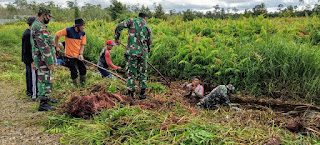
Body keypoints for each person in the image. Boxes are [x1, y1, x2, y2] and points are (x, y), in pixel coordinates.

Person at [114, 11, 152, 100]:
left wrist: (117, 38)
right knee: (142, 73)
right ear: (145, 18)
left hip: (132, 53)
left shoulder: (131, 21)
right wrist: (147, 51)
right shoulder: (147, 27)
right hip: (143, 54)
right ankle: (142, 94)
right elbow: (149, 43)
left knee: (131, 72)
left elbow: (119, 26)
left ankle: (131, 94)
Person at [30, 7, 56, 111]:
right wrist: (49, 61)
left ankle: (46, 98)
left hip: (42, 58)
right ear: (43, 15)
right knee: (44, 79)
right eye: (48, 16)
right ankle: (43, 103)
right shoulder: (40, 28)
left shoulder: (38, 25)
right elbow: (44, 46)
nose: (49, 18)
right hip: (43, 59)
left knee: (47, 78)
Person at [54, 18, 87, 87]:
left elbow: (82, 44)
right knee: (74, 71)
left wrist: (81, 54)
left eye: (84, 25)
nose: (83, 27)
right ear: (77, 26)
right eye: (82, 26)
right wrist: (56, 46)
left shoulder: (83, 33)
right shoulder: (68, 30)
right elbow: (56, 35)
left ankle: (83, 84)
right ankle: (75, 86)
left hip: (78, 55)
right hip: (70, 56)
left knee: (83, 69)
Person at [22, 16, 37, 100]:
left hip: (27, 59)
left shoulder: (28, 32)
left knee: (29, 75)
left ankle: (29, 91)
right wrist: (32, 61)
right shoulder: (28, 34)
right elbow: (28, 49)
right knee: (32, 76)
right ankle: (32, 93)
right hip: (30, 59)